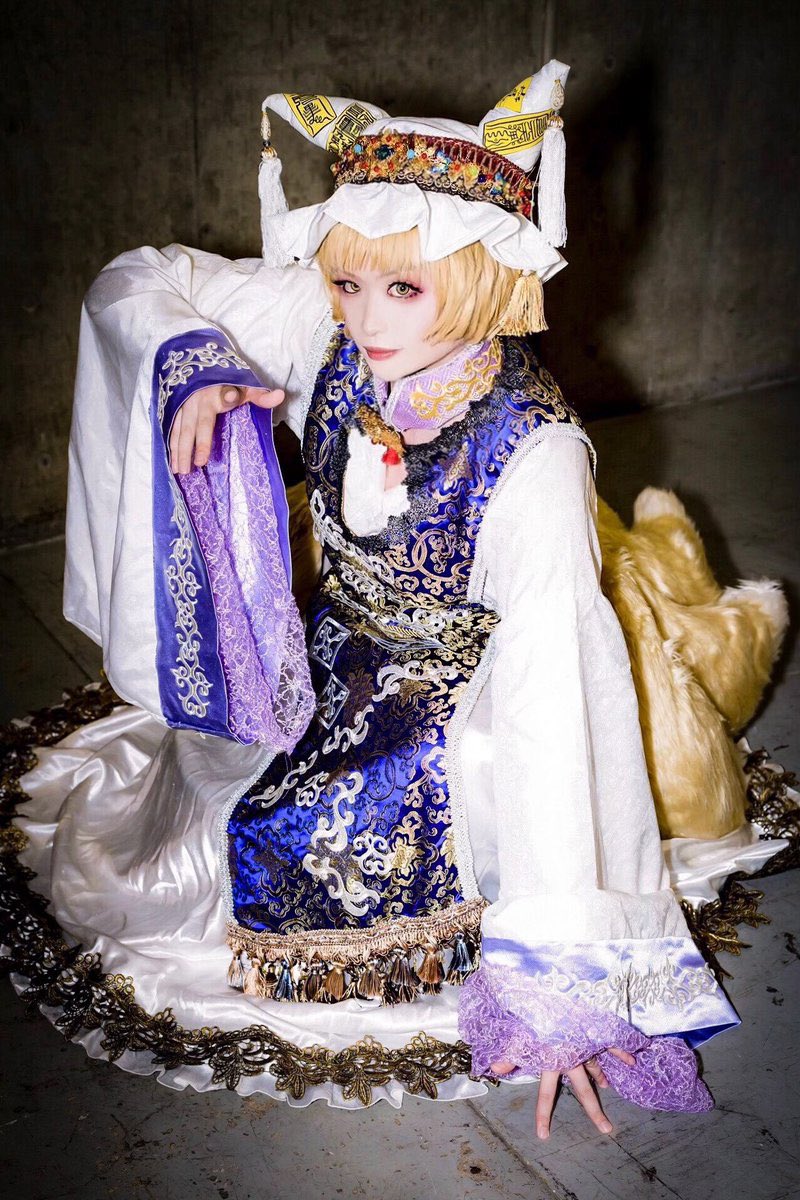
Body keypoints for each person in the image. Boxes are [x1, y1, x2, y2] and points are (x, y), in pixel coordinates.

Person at [9, 62, 785, 1130]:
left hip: (475, 690)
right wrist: (195, 361)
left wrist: (564, 983)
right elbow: (135, 280)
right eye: (347, 283)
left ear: (481, 274)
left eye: (404, 290)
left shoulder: (536, 455)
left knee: (313, 821)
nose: (368, 320)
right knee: (211, 765)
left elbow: (555, 690)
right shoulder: (329, 324)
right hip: (335, 642)